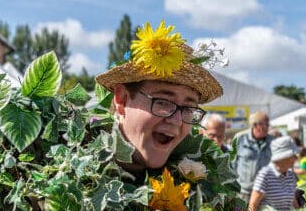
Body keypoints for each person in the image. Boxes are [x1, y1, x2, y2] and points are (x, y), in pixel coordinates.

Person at [96, 22, 223, 176]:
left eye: (188, 108)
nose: (176, 120)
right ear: (122, 100)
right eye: (163, 102)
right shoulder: (67, 172)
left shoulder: (197, 186)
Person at [232, 111, 274, 203]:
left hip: (264, 194)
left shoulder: (273, 141)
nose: (268, 127)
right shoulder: (240, 138)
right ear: (255, 125)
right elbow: (232, 165)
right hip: (243, 193)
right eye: (265, 125)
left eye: (268, 124)